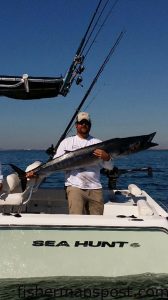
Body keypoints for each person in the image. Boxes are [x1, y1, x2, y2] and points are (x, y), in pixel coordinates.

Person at [53, 112, 112, 215]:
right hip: (74, 187)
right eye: (81, 122)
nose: (84, 125)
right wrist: (37, 172)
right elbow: (54, 164)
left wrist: (107, 158)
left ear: (90, 125)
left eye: (86, 123)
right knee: (76, 221)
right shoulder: (67, 142)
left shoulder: (98, 143)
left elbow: (110, 167)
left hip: (95, 187)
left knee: (97, 223)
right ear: (76, 125)